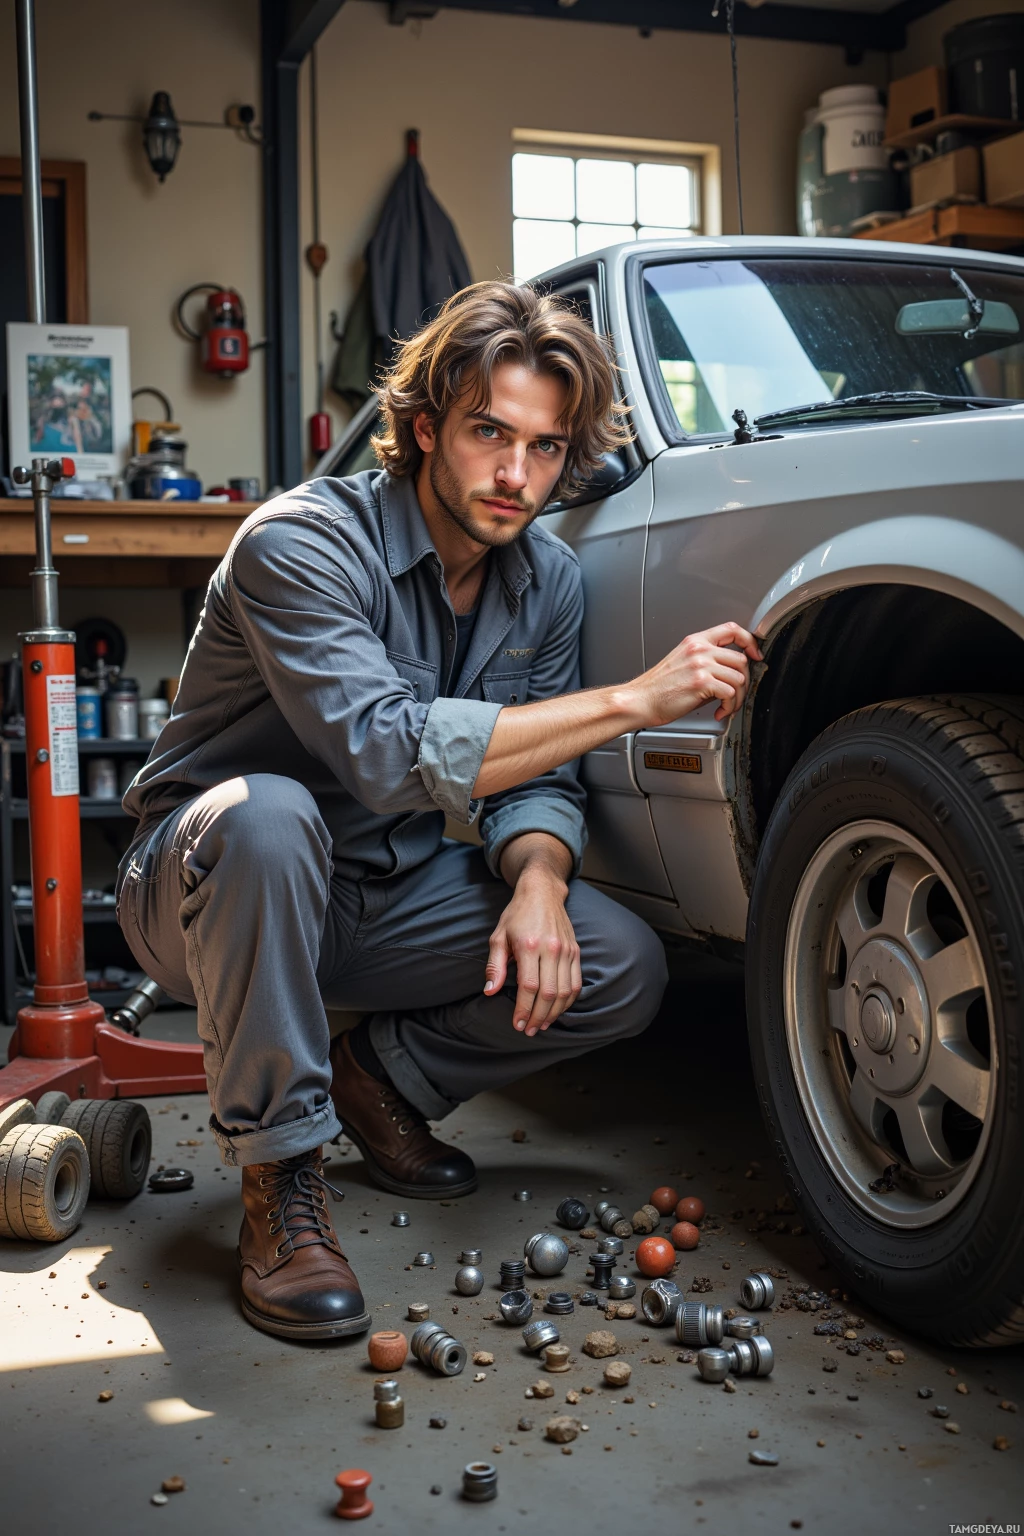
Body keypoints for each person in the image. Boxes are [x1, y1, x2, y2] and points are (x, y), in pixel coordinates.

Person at [117, 281, 761, 1342]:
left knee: (618, 962)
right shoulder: (301, 544)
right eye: (488, 433)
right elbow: (384, 754)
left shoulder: (547, 580)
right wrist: (637, 701)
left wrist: (540, 881)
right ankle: (282, 1178)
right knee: (271, 818)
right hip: (208, 893)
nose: (517, 475)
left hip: (383, 895)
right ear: (424, 429)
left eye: (546, 448)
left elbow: (536, 776)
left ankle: (379, 1079)